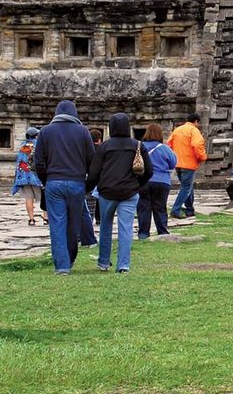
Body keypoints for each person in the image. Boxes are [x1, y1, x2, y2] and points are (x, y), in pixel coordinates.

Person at [33, 99, 94, 274]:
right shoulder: (83, 131)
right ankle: (71, 256)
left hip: (54, 181)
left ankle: (62, 265)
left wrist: (46, 180)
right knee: (73, 224)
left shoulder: (45, 132)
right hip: (76, 182)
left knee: (57, 224)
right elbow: (92, 160)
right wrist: (87, 184)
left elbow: (39, 162)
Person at [87, 113, 152, 273]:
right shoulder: (137, 145)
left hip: (107, 192)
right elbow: (149, 171)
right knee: (126, 229)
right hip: (129, 192)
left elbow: (94, 173)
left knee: (105, 227)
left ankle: (103, 262)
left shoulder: (104, 147)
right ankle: (123, 265)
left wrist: (87, 188)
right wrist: (137, 185)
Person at [137, 123, 176, 239]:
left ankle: (143, 233)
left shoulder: (139, 147)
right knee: (160, 207)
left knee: (144, 207)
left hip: (143, 180)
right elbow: (173, 163)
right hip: (162, 181)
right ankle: (162, 232)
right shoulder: (164, 148)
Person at [168, 112, 206, 219]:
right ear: (196, 121)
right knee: (186, 187)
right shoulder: (194, 130)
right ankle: (175, 209)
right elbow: (197, 145)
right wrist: (202, 157)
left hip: (178, 163)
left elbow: (169, 143)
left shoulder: (177, 130)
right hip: (188, 163)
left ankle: (190, 210)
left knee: (188, 186)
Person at [11, 127, 43, 225]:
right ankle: (46, 218)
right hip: (36, 175)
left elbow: (19, 161)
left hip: (23, 175)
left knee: (29, 197)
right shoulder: (39, 145)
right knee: (44, 197)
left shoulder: (22, 146)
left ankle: (31, 219)